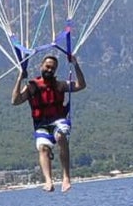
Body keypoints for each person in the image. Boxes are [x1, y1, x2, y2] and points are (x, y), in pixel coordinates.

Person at [13, 50, 86, 192]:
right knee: (43, 148)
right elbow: (15, 101)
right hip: (41, 124)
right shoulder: (31, 87)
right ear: (41, 66)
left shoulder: (60, 85)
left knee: (60, 136)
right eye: (47, 66)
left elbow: (81, 85)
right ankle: (48, 181)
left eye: (53, 68)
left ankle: (66, 178)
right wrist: (20, 78)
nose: (50, 70)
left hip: (59, 121)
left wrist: (75, 64)